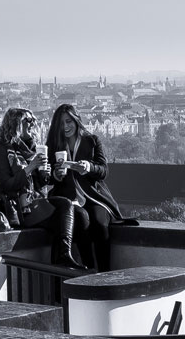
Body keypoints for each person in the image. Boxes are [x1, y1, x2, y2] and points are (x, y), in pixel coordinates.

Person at [0, 108, 88, 270]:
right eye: (27, 120)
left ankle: (75, 261)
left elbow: (41, 185)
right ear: (15, 124)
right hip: (20, 209)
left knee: (81, 215)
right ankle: (63, 257)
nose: (32, 123)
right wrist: (30, 167)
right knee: (64, 205)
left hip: (37, 203)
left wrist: (50, 175)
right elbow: (5, 186)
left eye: (33, 120)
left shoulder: (31, 150)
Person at [45, 103, 129, 272]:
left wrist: (89, 167)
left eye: (68, 121)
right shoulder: (53, 145)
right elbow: (46, 179)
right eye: (61, 124)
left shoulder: (91, 141)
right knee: (81, 221)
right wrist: (55, 175)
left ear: (76, 120)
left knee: (99, 223)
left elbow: (103, 170)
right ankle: (88, 269)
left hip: (93, 196)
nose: (66, 127)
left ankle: (105, 271)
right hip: (68, 199)